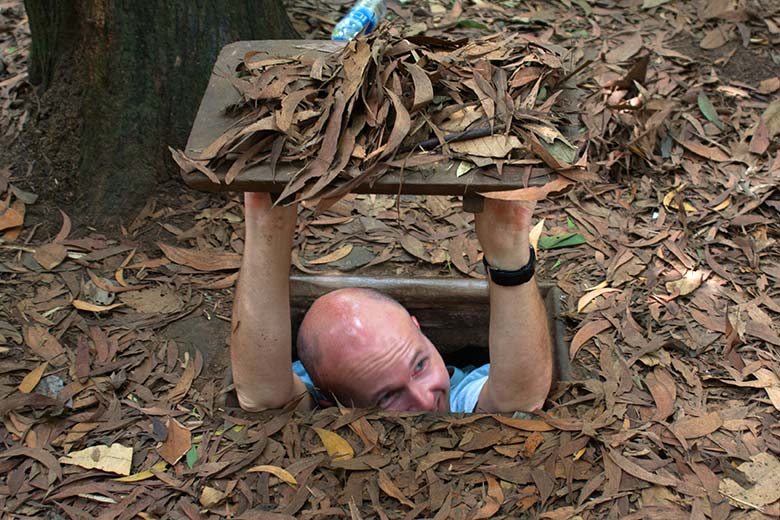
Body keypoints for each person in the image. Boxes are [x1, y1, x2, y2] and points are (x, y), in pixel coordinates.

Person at [230, 192, 553, 413]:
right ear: (333, 403)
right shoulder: (323, 391)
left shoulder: (460, 390)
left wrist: (510, 249)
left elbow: (519, 401)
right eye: (387, 396)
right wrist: (266, 226)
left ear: (418, 327)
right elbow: (264, 395)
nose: (426, 401)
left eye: (420, 364)